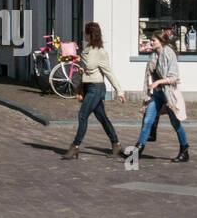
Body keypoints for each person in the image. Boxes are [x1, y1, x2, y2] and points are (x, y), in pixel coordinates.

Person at [61, 22, 126, 160]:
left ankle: (75, 146)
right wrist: (82, 70)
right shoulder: (87, 49)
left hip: (96, 88)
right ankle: (116, 144)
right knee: (102, 118)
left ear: (90, 34)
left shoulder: (100, 52)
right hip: (88, 87)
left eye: (85, 32)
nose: (83, 35)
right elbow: (87, 67)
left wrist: (119, 91)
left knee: (82, 115)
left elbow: (109, 72)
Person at [130, 30, 190, 163]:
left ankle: (184, 150)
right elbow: (150, 74)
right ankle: (136, 153)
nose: (151, 42)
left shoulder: (169, 53)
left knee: (175, 123)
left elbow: (174, 77)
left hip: (168, 95)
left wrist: (158, 82)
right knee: (147, 121)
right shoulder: (153, 55)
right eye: (151, 40)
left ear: (161, 42)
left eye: (153, 40)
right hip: (157, 94)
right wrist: (152, 86)